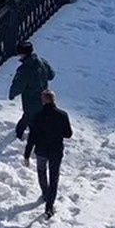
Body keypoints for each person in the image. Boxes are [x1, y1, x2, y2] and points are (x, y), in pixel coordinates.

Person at [23, 89, 73, 219]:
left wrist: (27, 154)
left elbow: (32, 137)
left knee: (41, 171)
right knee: (54, 176)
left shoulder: (37, 116)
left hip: (41, 150)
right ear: (53, 99)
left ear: (43, 100)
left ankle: (45, 193)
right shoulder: (62, 115)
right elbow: (68, 134)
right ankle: (50, 205)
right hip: (56, 150)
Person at [9, 39, 55, 140]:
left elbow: (18, 86)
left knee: (29, 117)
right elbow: (51, 75)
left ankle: (19, 135)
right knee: (38, 116)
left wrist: (12, 94)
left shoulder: (24, 70)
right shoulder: (42, 61)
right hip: (44, 96)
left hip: (31, 99)